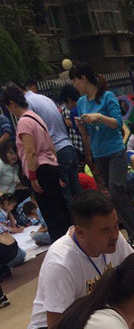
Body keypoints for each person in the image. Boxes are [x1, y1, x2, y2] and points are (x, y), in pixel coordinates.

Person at [26, 191, 132, 329]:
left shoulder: (114, 239)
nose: (114, 235)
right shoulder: (60, 263)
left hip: (95, 316)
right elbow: (56, 327)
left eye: (116, 226)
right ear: (81, 232)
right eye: (105, 230)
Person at [70, 62, 134, 248]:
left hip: (115, 151)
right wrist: (82, 127)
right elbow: (87, 132)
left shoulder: (107, 97)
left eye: (75, 81)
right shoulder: (81, 102)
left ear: (83, 79)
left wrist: (99, 117)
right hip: (99, 154)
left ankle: (133, 235)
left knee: (115, 192)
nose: (74, 86)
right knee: (116, 194)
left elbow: (118, 123)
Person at [0, 84, 71, 243]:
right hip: (50, 165)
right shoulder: (35, 117)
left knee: (50, 213)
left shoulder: (24, 122)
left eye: (8, 107)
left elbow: (30, 151)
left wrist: (32, 177)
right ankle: (69, 238)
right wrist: (56, 168)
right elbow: (50, 144)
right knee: (60, 208)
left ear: (12, 104)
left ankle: (61, 242)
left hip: (39, 170)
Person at [23, 82, 81, 204]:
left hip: (57, 150)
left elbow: (33, 137)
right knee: (77, 193)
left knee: (66, 196)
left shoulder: (28, 104)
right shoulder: (43, 98)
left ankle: (76, 217)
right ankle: (88, 215)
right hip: (68, 147)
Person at [58, 83, 85, 163]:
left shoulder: (72, 111)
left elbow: (83, 133)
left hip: (80, 146)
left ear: (69, 100)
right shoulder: (86, 104)